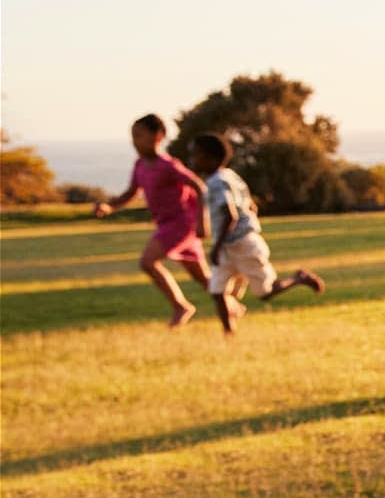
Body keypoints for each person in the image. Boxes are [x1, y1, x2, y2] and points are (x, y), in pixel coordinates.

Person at [186, 134, 325, 336]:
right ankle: (229, 334)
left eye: (196, 155)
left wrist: (216, 246)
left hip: (243, 245)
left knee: (265, 292)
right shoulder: (230, 176)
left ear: (211, 158)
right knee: (216, 291)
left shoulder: (217, 182)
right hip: (229, 246)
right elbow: (251, 205)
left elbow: (230, 216)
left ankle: (298, 278)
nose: (192, 160)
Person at [93, 114, 210, 328]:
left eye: (139, 135)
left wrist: (203, 221)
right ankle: (231, 306)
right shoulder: (140, 165)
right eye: (132, 136)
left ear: (158, 137)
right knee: (203, 278)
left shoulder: (169, 165)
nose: (134, 141)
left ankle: (180, 306)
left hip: (181, 224)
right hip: (165, 224)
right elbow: (131, 192)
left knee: (147, 262)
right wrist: (110, 206)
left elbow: (199, 187)